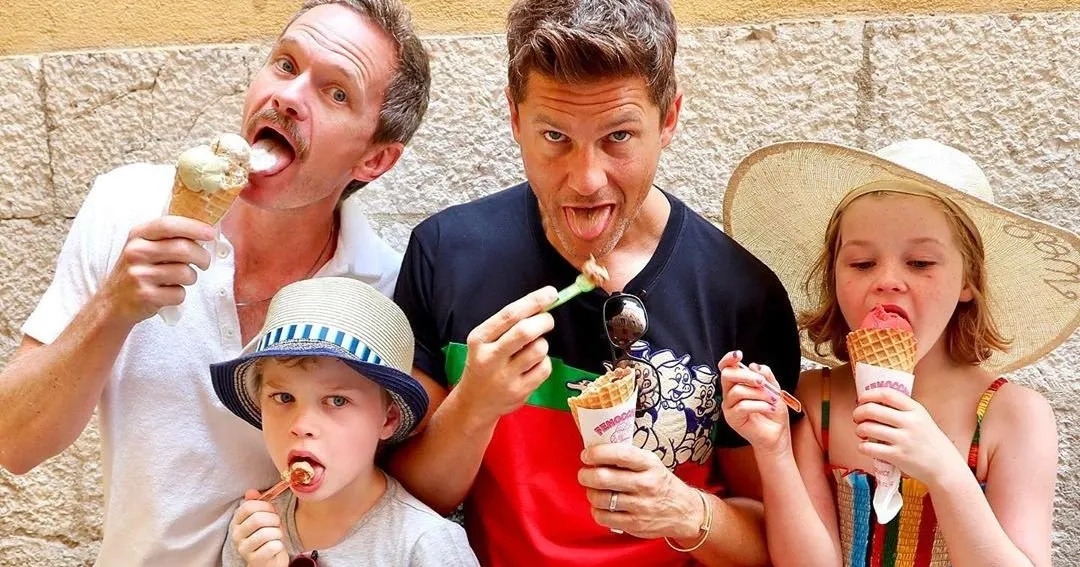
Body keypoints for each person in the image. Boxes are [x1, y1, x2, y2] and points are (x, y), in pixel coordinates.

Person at [0, 1, 430, 564]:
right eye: (285, 64)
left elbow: (386, 507)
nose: (288, 96)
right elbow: (15, 442)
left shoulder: (382, 296)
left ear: (374, 159)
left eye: (335, 93)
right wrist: (113, 308)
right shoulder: (127, 208)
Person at [388, 0, 801, 565]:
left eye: (619, 136)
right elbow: (405, 506)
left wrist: (685, 510)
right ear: (514, 119)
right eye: (555, 135)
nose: (586, 179)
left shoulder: (743, 295)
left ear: (669, 119)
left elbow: (781, 545)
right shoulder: (445, 254)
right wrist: (474, 406)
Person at [720, 139, 1075, 566]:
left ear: (968, 280)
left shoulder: (1014, 415)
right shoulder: (816, 400)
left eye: (921, 262)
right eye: (861, 263)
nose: (887, 280)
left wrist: (944, 470)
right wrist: (773, 451)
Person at [213, 277, 478, 567]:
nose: (302, 425)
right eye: (284, 397)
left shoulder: (424, 545)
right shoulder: (252, 532)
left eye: (337, 401)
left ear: (388, 418)